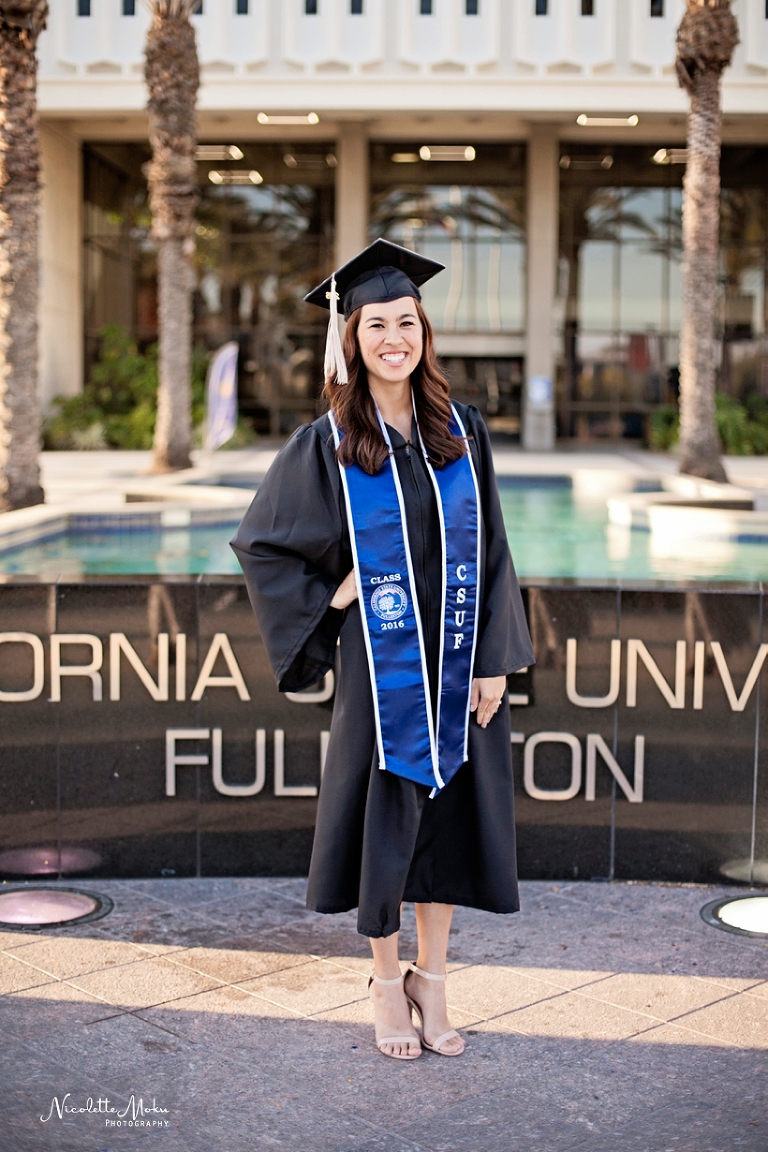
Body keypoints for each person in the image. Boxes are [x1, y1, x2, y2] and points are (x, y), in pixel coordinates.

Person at [232, 238, 534, 1061]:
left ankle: (433, 982)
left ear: (424, 332)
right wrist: (339, 592)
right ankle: (383, 981)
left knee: (453, 820)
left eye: (407, 322)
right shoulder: (329, 440)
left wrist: (495, 658)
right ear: (352, 339)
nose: (393, 338)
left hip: (462, 656)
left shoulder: (462, 429)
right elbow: (263, 542)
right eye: (375, 325)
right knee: (388, 822)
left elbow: (497, 547)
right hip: (383, 671)